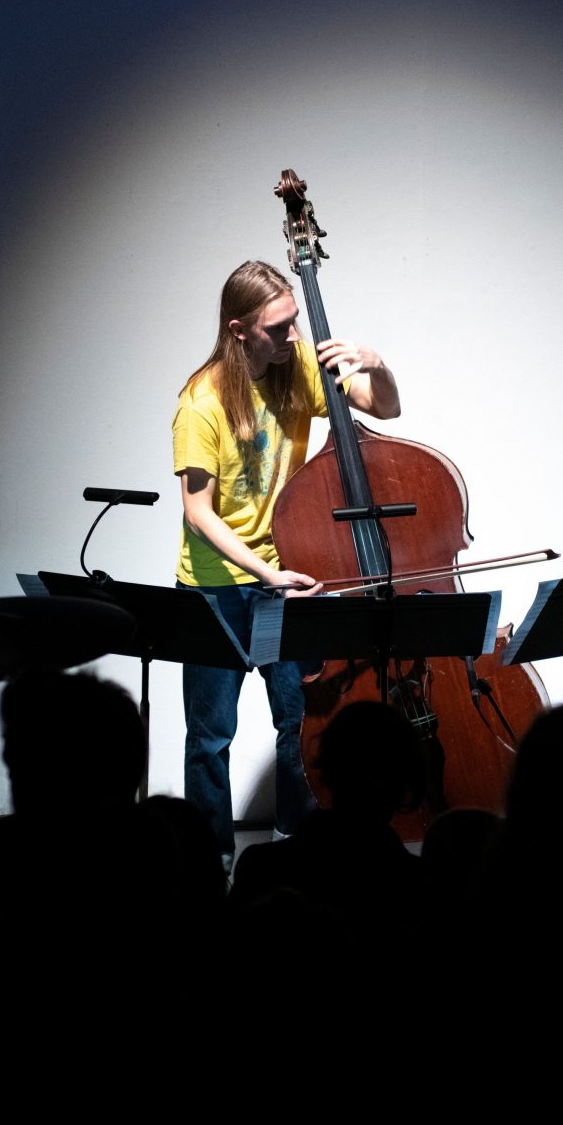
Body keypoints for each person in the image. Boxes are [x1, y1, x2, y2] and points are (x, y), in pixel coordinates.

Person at [173, 259, 401, 870]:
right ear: (239, 329)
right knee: (211, 736)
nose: (294, 337)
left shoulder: (295, 364)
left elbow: (384, 412)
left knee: (299, 727)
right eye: (279, 327)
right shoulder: (200, 404)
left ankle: (298, 852)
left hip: (288, 577)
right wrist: (265, 573)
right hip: (217, 588)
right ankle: (211, 861)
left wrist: (378, 364)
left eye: (295, 322)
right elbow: (199, 513)